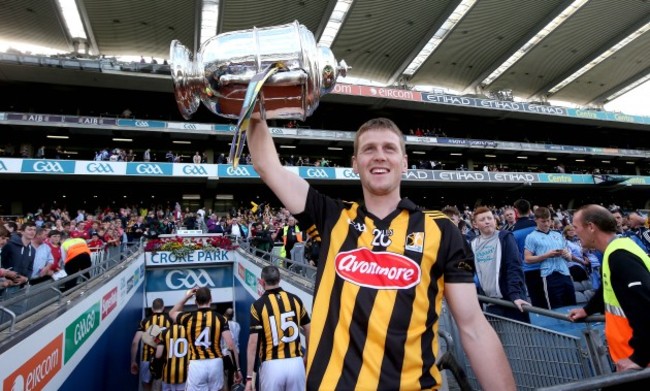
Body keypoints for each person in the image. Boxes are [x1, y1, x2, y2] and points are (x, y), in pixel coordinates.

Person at [246, 116, 515, 390]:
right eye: (368, 149)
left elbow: (474, 329)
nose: (379, 156)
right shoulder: (331, 217)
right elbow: (267, 166)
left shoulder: (442, 230)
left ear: (405, 162)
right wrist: (255, 109)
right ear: (355, 163)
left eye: (389, 148)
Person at [569, 205, 650, 388]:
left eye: (576, 227)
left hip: (638, 365)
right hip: (630, 360)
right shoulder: (615, 250)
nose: (574, 232)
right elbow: (608, 287)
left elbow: (645, 308)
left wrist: (639, 358)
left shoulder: (620, 257)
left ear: (591, 227)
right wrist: (587, 309)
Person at [244, 266, 311, 391]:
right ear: (279, 279)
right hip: (296, 363)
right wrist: (307, 355)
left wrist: (249, 377)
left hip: (272, 365)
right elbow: (309, 329)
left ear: (262, 282)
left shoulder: (257, 306)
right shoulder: (295, 300)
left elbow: (253, 343)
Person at [169, 287, 242, 391]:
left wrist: (187, 297)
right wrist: (237, 369)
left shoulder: (188, 318)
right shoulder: (220, 318)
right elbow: (230, 345)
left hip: (196, 364)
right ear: (211, 299)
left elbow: (172, 312)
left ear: (195, 301)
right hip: (215, 363)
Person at [470, 206, 530, 323]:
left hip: (512, 300)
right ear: (475, 224)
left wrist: (515, 295)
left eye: (489, 218)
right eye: (482, 220)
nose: (487, 221)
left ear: (495, 220)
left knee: (521, 338)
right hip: (492, 303)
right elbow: (466, 268)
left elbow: (514, 266)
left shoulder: (505, 237)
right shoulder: (473, 244)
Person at [524, 207, 576, 309]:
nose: (546, 224)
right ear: (536, 220)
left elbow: (569, 258)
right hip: (549, 275)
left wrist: (567, 255)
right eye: (543, 221)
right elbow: (527, 259)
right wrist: (546, 255)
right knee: (556, 307)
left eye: (548, 220)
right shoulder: (531, 237)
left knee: (572, 305)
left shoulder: (557, 234)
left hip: (565, 273)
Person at [131, 298, 172, 391]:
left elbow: (135, 342)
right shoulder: (169, 320)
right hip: (164, 359)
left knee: (146, 384)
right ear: (164, 308)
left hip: (147, 358)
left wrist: (133, 361)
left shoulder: (145, 321)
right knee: (163, 385)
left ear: (152, 309)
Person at [153, 323, 189, 391]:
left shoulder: (164, 332)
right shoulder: (189, 330)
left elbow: (158, 355)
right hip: (184, 372)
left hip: (168, 372)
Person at [221, 308, 241, 391]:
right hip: (235, 354)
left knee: (225, 377)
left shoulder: (222, 324)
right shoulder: (237, 325)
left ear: (224, 315)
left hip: (225, 354)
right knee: (234, 377)